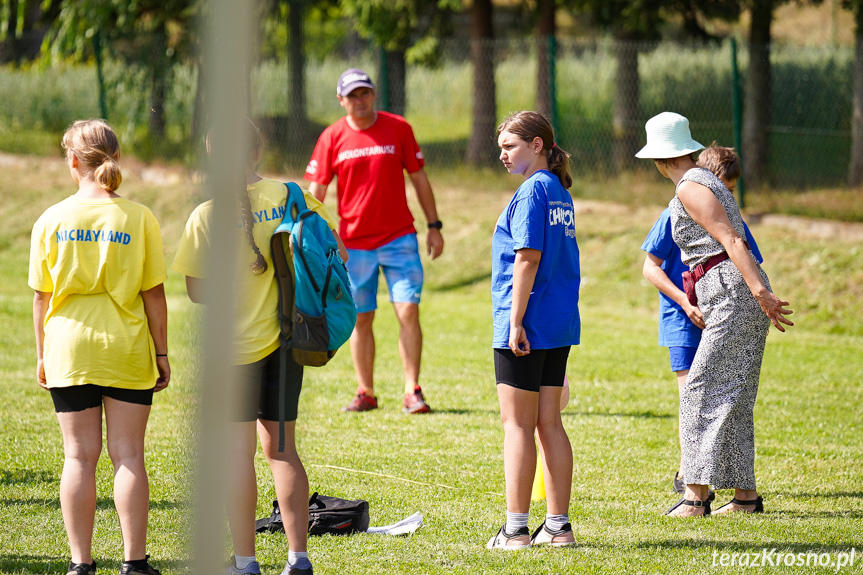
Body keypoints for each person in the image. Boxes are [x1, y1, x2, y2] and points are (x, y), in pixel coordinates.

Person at [173, 120, 344, 575]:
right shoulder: (293, 195)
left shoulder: (206, 215)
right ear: (257, 150)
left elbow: (197, 290)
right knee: (283, 452)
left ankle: (246, 563)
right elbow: (335, 256)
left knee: (237, 455)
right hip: (289, 346)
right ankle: (299, 558)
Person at [635, 112, 794, 517]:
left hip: (730, 291)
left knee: (699, 391)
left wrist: (761, 293)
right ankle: (744, 498)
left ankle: (695, 497)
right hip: (729, 291)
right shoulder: (702, 181)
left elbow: (731, 239)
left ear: (660, 159)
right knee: (733, 396)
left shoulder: (690, 185)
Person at [29, 119, 169, 575]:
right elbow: (153, 293)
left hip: (68, 346)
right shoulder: (139, 217)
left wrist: (42, 353)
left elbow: (41, 296)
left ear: (73, 160)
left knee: (77, 457)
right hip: (125, 346)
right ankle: (134, 563)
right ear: (115, 156)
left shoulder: (50, 219)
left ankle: (80, 565)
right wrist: (162, 354)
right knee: (128, 455)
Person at [304, 68, 444, 414]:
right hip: (353, 245)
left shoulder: (399, 128)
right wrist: (314, 236)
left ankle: (412, 389)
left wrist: (434, 224)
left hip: (400, 238)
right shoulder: (331, 137)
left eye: (365, 93)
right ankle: (365, 391)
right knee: (360, 317)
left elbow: (420, 178)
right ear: (341, 101)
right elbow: (315, 193)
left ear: (374, 94)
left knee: (408, 311)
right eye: (352, 95)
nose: (360, 100)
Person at [640, 143, 763, 495]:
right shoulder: (678, 206)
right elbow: (650, 267)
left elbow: (743, 250)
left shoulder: (715, 205)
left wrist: (757, 293)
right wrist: (683, 301)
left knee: (722, 395)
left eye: (730, 189)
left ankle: (712, 490)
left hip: (722, 307)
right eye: (721, 185)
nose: (724, 194)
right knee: (692, 395)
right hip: (684, 317)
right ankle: (693, 477)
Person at [487, 111, 580, 549]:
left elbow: (527, 257)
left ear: (537, 145)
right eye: (502, 146)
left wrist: (515, 320)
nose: (502, 154)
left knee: (517, 426)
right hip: (558, 322)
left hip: (528, 323)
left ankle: (516, 529)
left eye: (510, 145)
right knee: (549, 423)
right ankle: (558, 526)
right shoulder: (559, 191)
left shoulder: (531, 191)